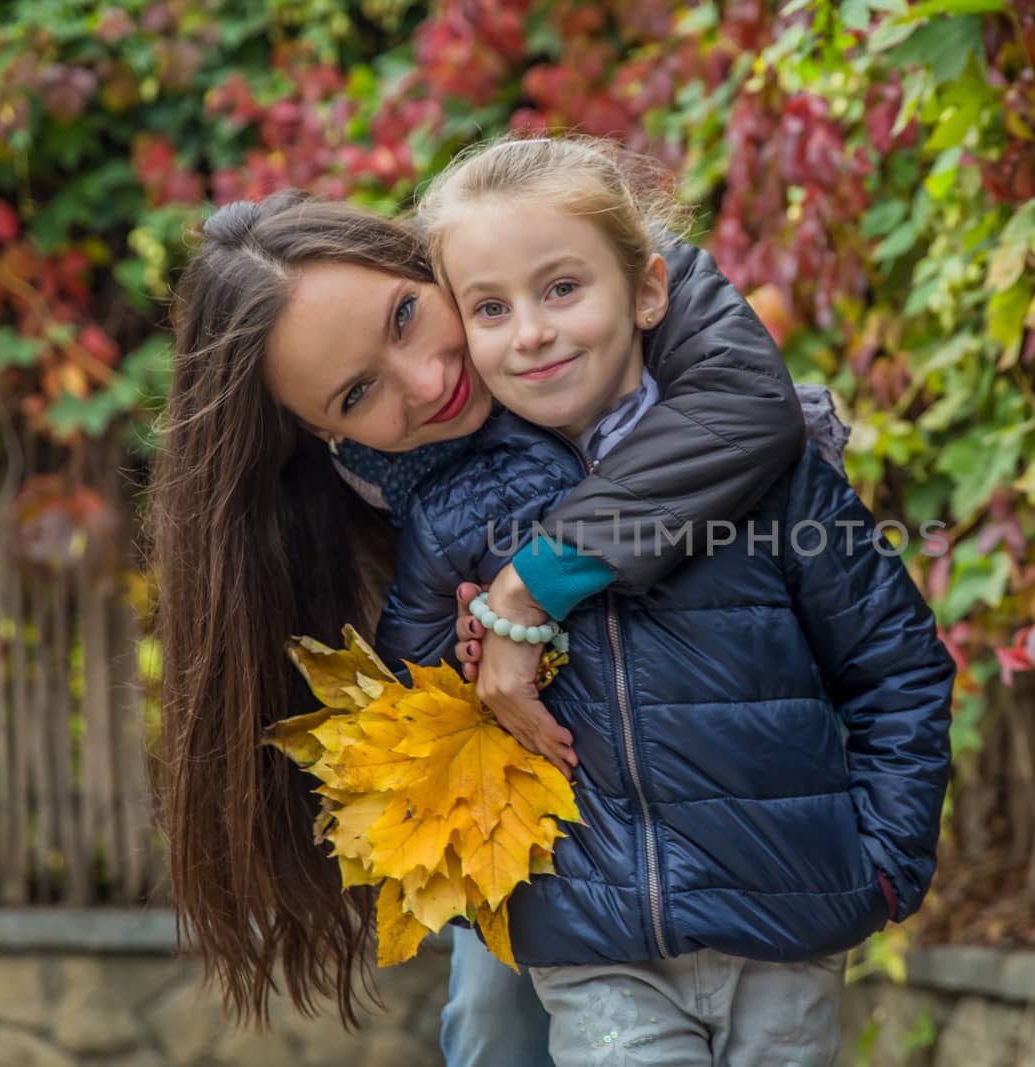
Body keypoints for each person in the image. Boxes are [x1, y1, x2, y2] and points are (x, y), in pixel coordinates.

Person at [150, 186, 815, 1065]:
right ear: (318, 436)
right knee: (492, 1020)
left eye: (403, 317)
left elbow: (746, 404)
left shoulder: (568, 254)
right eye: (357, 394)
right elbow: (417, 698)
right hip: (551, 789)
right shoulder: (374, 492)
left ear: (415, 257)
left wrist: (528, 589)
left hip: (729, 778)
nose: (427, 382)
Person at [377, 135, 954, 1065]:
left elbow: (896, 666)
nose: (530, 331)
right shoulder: (458, 513)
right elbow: (414, 713)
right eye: (491, 307)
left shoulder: (777, 474)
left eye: (563, 288)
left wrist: (884, 860)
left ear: (649, 292)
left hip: (788, 917)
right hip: (593, 940)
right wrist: (463, 657)